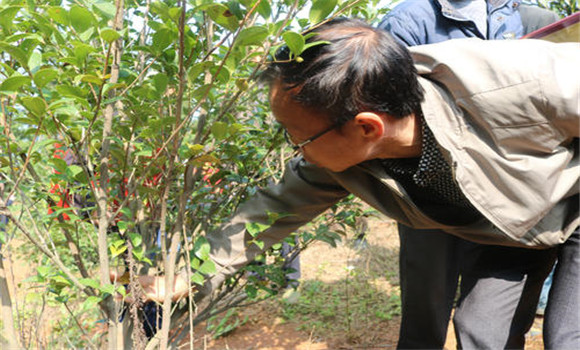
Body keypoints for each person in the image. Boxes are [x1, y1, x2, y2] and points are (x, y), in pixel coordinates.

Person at [128, 18, 579, 348]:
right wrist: (190, 274)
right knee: (481, 331)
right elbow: (271, 211)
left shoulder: (518, 83)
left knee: (568, 335)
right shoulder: (341, 156)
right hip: (512, 224)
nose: (294, 149)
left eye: (297, 135)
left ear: (367, 127)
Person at [376, 0, 562, 348]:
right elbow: (384, 108)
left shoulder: (540, 20)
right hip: (433, 191)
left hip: (507, 197)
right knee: (426, 305)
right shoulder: (411, 20)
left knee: (493, 315)